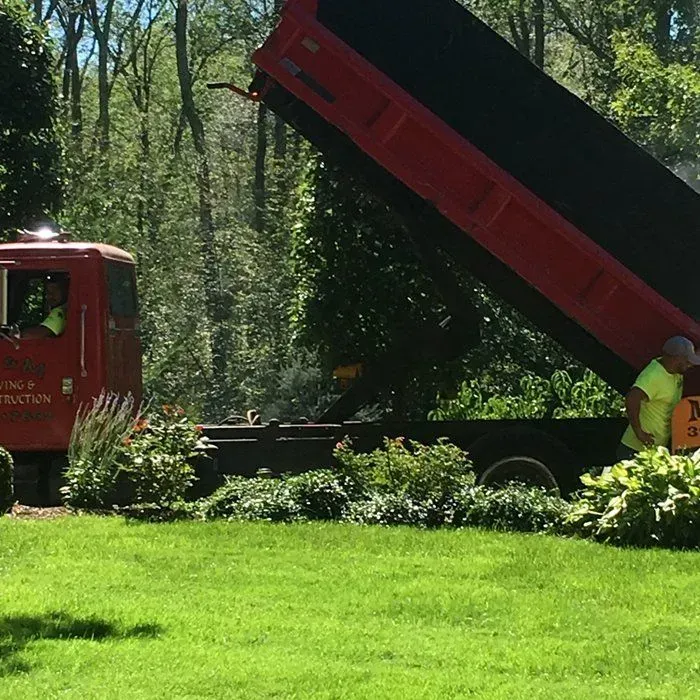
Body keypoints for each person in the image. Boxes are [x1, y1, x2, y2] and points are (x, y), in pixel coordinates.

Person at [617, 336, 700, 461]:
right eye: (687, 361)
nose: (690, 365)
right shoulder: (653, 376)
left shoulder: (673, 371)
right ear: (676, 358)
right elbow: (632, 399)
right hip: (635, 450)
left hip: (653, 450)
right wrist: (639, 432)